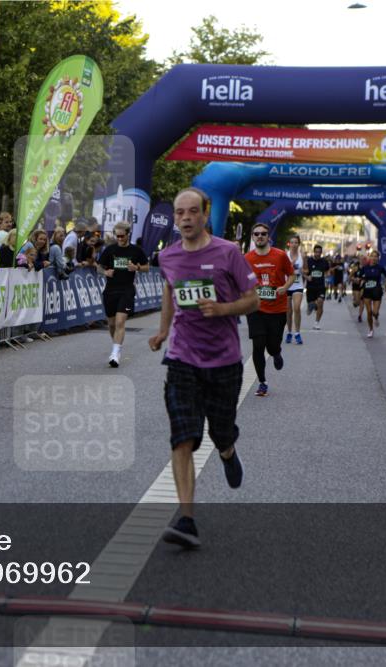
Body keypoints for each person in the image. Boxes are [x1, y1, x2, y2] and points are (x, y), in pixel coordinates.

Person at [148, 188, 259, 548]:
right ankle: (186, 519)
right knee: (182, 435)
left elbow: (253, 300)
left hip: (224, 360)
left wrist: (223, 309)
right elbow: (170, 290)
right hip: (182, 358)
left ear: (205, 214)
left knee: (220, 431)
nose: (185, 218)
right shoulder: (168, 256)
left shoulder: (228, 253)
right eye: (179, 212)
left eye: (192, 211)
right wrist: (163, 331)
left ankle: (227, 450)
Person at [244, 223, 294, 396]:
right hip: (256, 308)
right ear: (252, 237)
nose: (260, 236)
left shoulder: (280, 255)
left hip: (277, 308)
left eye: (263, 234)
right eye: (256, 234)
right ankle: (262, 382)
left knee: (272, 346)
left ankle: (276, 352)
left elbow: (292, 275)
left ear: (268, 236)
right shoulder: (247, 258)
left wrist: (285, 287)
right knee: (258, 345)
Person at [98, 222, 150, 367]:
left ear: (128, 234)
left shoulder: (136, 250)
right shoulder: (110, 250)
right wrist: (105, 272)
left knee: (120, 322)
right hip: (110, 290)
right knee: (112, 324)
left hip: (127, 289)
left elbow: (147, 267)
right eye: (117, 236)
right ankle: (116, 345)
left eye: (122, 236)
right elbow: (98, 267)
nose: (119, 239)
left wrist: (137, 267)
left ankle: (115, 354)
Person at [358, 252, 386, 338]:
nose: (374, 258)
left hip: (377, 290)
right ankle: (371, 330)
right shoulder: (365, 267)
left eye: (376, 257)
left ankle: (376, 317)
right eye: (372, 256)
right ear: (370, 257)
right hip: (367, 291)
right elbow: (360, 277)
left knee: (375, 312)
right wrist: (360, 281)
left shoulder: (380, 267)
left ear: (378, 258)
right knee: (369, 312)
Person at [284, 234, 306, 345]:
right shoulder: (285, 255)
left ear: (298, 244)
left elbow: (306, 271)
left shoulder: (302, 256)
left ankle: (297, 333)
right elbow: (280, 270)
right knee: (288, 311)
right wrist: (290, 267)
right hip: (287, 285)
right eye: (292, 242)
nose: (294, 244)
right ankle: (289, 332)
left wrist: (301, 270)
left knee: (297, 308)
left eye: (296, 242)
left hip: (298, 285)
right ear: (289, 244)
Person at [304, 244, 329, 330]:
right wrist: (307, 277)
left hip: (321, 287)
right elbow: (303, 271)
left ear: (321, 253)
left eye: (319, 252)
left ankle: (316, 323)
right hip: (310, 287)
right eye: (316, 252)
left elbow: (328, 271)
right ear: (313, 252)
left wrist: (327, 277)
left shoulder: (324, 262)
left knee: (320, 302)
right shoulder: (309, 261)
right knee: (309, 309)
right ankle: (312, 305)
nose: (317, 254)